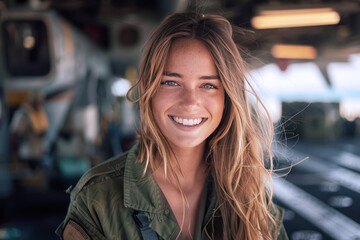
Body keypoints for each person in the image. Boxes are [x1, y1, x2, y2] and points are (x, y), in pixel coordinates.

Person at [56, 12, 288, 240]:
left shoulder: (251, 198)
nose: (190, 102)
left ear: (227, 97)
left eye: (208, 85)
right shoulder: (98, 198)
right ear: (148, 91)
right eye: (171, 82)